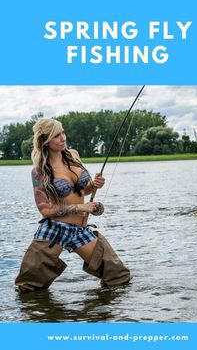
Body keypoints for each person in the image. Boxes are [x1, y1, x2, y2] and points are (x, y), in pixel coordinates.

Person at [15, 118, 131, 293]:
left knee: (118, 277)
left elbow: (82, 191)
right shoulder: (39, 171)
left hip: (80, 229)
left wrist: (94, 185)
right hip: (54, 230)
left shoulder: (74, 155)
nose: (63, 138)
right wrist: (79, 208)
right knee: (28, 288)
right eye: (56, 135)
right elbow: (44, 209)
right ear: (44, 141)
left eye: (63, 132)